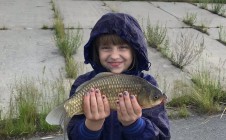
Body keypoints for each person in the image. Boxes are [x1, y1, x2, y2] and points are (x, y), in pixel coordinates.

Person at [67, 12, 170, 140]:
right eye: (106, 48)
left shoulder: (147, 84)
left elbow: (162, 136)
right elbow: (73, 135)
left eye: (123, 47)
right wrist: (92, 125)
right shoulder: (84, 83)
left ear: (135, 51)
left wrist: (134, 125)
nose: (114, 56)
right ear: (96, 51)